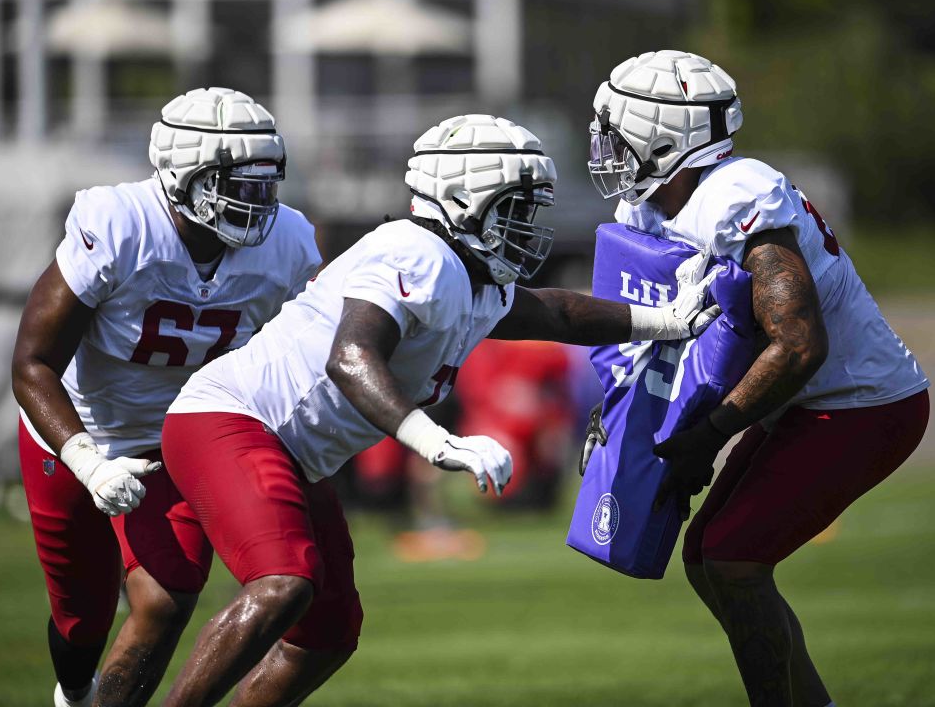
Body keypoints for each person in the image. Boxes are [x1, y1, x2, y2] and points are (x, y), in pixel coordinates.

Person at [156, 114, 721, 707]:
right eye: (515, 209)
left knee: (327, 634)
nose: (528, 227)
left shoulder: (476, 276)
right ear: (463, 201)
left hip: (292, 452)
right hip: (230, 421)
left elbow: (557, 314)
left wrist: (666, 321)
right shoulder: (416, 251)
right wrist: (439, 443)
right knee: (280, 587)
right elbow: (350, 357)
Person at [585, 51, 931, 707]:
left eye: (617, 130)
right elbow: (657, 339)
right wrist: (620, 416)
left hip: (860, 403)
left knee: (734, 562)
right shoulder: (653, 207)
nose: (604, 147)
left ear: (665, 134)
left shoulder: (735, 195)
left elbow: (798, 344)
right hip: (798, 404)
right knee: (706, 561)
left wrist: (708, 434)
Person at [11, 87, 322, 707]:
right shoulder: (122, 224)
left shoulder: (287, 241)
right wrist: (88, 461)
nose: (254, 201)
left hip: (177, 438)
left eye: (263, 183)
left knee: (167, 598)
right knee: (83, 618)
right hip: (75, 426)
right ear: (181, 174)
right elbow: (33, 362)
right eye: (233, 182)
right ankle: (75, 693)